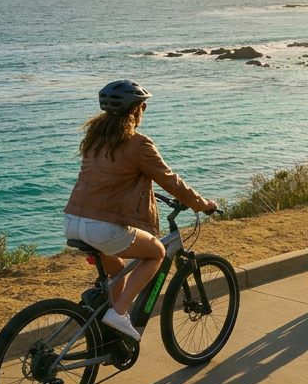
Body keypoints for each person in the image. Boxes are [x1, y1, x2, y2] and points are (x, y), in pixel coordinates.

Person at [64, 80, 218, 341]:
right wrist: (202, 204)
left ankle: (110, 331)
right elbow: (170, 180)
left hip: (72, 220)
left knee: (117, 270)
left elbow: (107, 180)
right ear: (135, 110)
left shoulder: (96, 139)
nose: (144, 110)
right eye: (143, 106)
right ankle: (119, 313)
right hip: (101, 227)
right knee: (157, 252)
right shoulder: (138, 143)